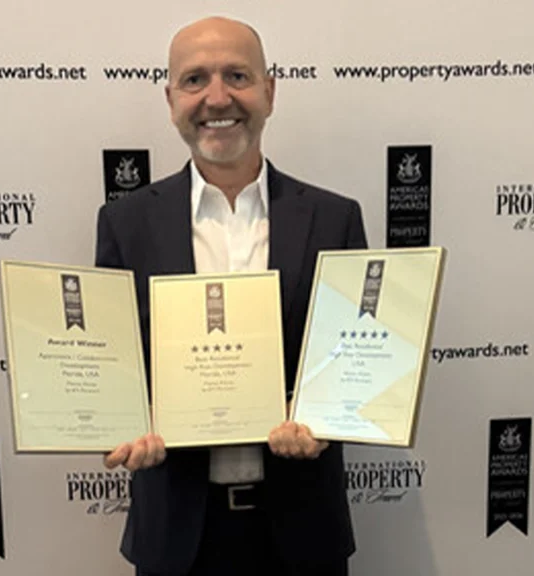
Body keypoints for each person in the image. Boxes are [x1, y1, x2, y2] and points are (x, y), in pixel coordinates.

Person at [94, 15, 367, 576]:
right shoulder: (126, 224)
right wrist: (116, 426)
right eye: (195, 80)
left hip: (302, 535)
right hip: (176, 538)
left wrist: (328, 423)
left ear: (269, 91)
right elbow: (111, 370)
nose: (217, 97)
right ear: (171, 99)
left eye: (237, 76)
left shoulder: (335, 219)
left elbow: (353, 368)